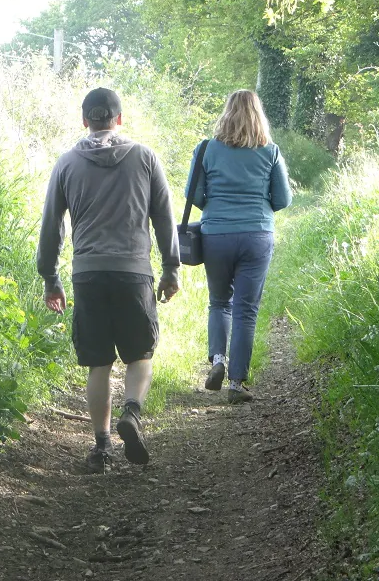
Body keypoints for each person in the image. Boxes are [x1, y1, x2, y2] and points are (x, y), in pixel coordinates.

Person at [37, 87, 180, 473]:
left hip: (88, 274)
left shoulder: (67, 163)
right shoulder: (145, 158)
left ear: (85, 120)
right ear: (119, 118)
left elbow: (52, 226)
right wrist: (171, 268)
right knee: (140, 354)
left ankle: (101, 449)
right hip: (134, 271)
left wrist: (50, 276)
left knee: (98, 364)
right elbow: (164, 217)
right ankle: (131, 413)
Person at [184, 89, 292, 404]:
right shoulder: (270, 152)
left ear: (226, 113)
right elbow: (282, 200)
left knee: (219, 302)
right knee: (246, 309)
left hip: (216, 234)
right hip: (257, 235)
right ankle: (236, 383)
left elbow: (196, 197)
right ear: (259, 116)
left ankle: (217, 359)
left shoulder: (206, 149)